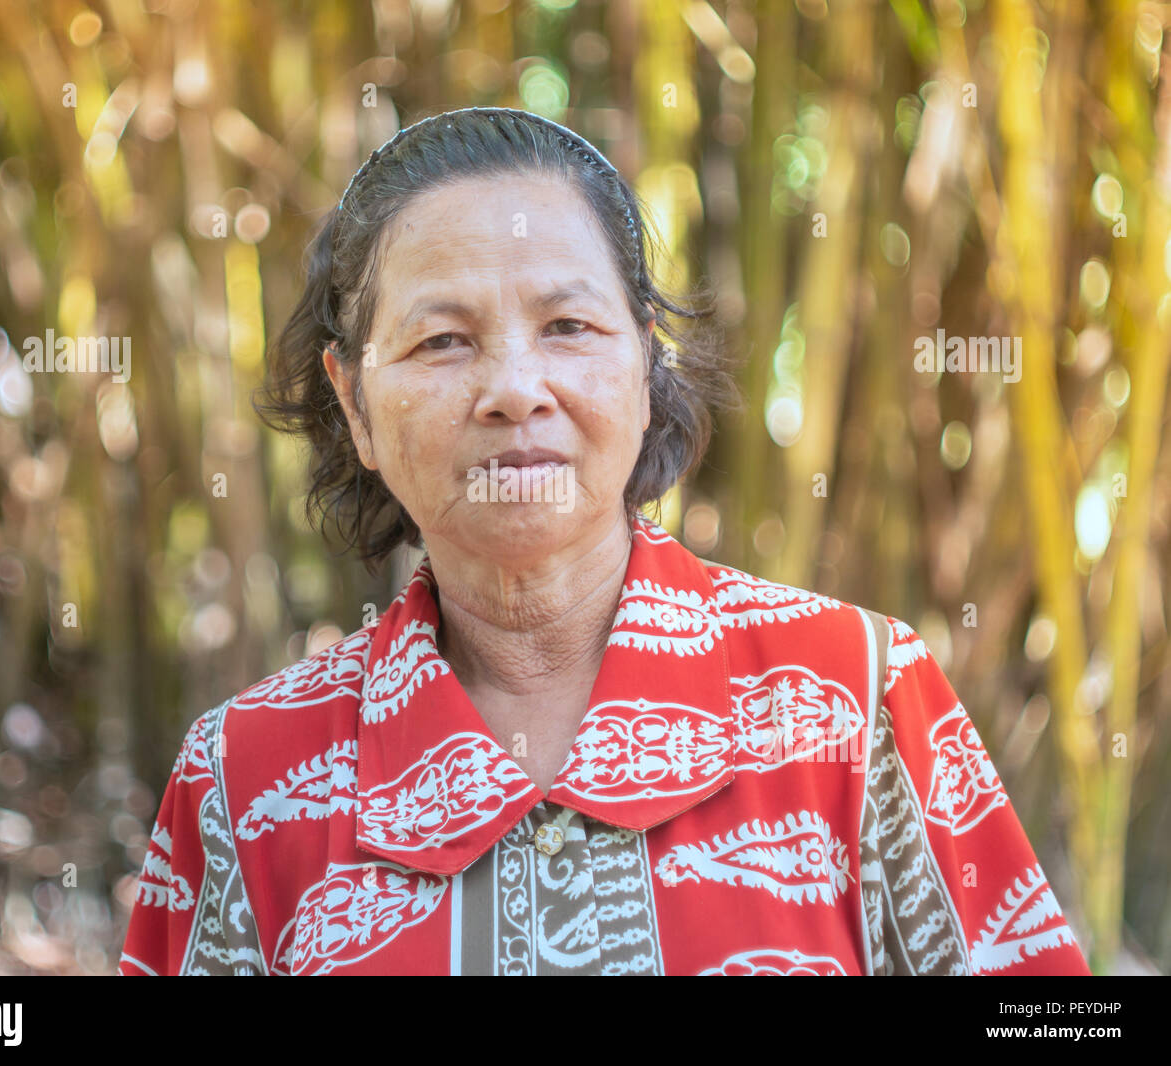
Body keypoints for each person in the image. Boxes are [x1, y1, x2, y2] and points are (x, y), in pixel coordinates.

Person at [118, 106, 1091, 976]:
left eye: (569, 325)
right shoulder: (242, 779)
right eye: (442, 341)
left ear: (643, 366)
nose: (513, 386)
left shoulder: (853, 698)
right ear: (354, 405)